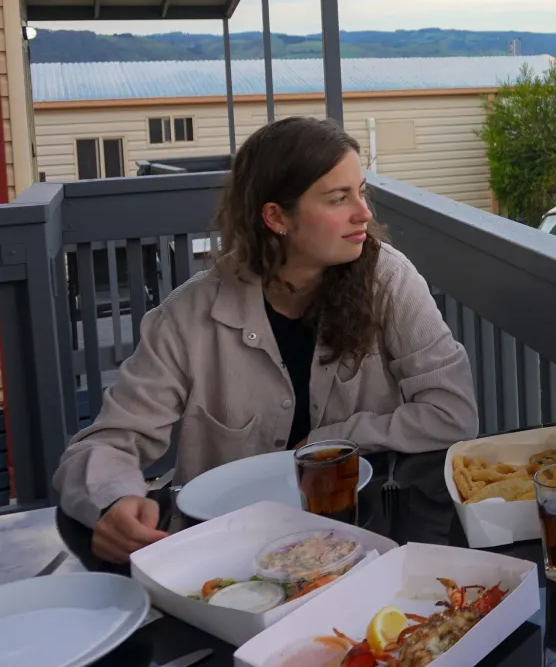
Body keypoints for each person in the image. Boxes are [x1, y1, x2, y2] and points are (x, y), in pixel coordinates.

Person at [54, 117, 479, 563]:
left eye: (362, 191)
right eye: (339, 198)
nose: (364, 213)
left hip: (364, 544)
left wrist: (332, 440)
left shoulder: (388, 281)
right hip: (233, 560)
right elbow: (106, 444)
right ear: (276, 217)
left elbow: (452, 412)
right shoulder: (189, 316)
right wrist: (113, 502)